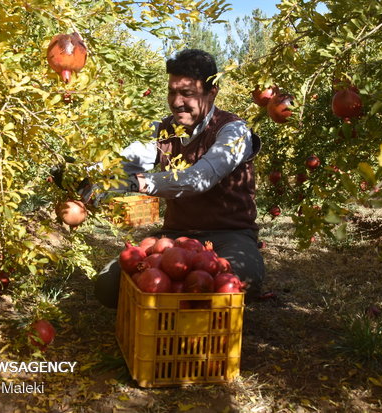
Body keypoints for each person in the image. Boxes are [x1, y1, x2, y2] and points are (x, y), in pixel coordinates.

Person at [90, 49, 265, 308]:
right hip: (176, 237)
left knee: (230, 287)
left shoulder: (234, 131)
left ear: (212, 92)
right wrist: (89, 174)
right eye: (172, 91)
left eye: (187, 93)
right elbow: (125, 160)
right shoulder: (163, 130)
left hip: (230, 235)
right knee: (108, 287)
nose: (177, 101)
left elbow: (198, 179)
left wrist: (138, 183)